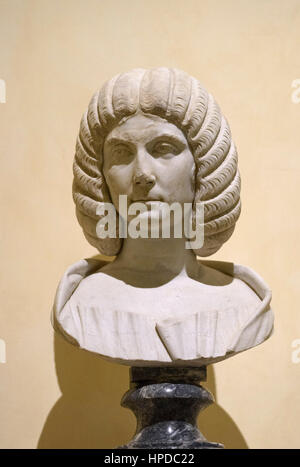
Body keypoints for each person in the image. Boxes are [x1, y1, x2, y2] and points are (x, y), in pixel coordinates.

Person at [52, 68, 273, 366]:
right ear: (99, 175)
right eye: (121, 153)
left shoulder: (242, 305)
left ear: (202, 167)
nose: (142, 174)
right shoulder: (80, 306)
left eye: (164, 149)